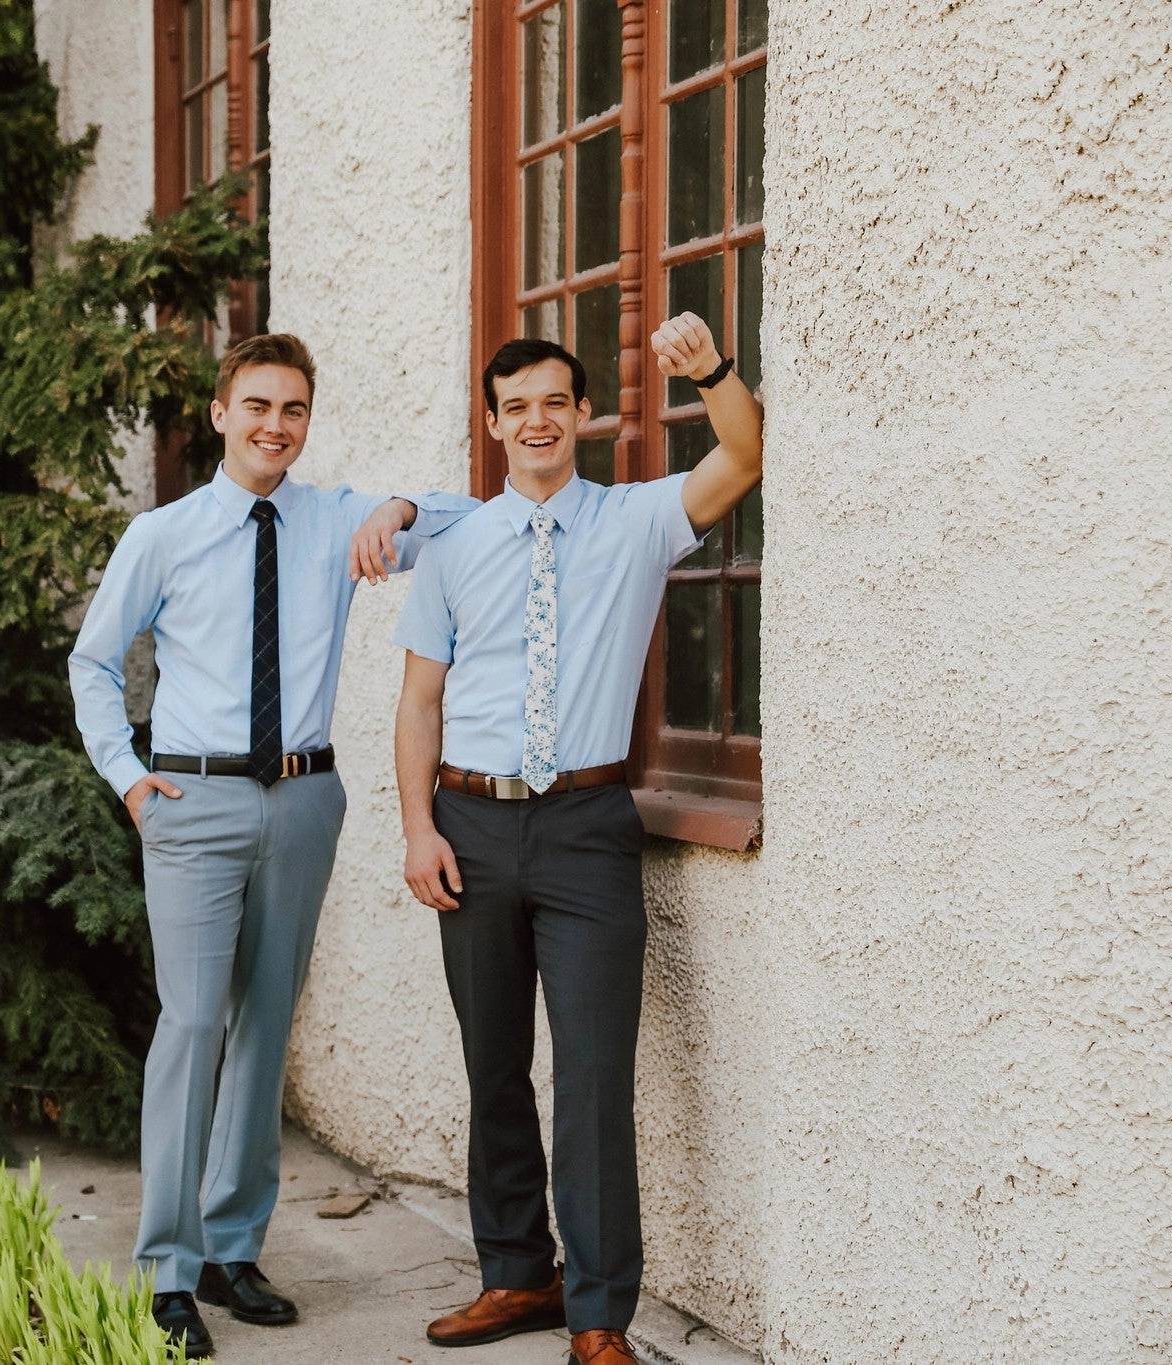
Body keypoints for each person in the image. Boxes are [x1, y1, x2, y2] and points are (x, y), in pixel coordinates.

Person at [69, 332, 476, 1360]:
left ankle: (231, 1249)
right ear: (218, 414)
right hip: (193, 804)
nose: (274, 426)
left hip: (301, 801)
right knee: (193, 1025)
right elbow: (92, 662)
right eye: (255, 405)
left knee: (264, 1030)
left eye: (292, 409)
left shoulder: (335, 519)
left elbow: (477, 522)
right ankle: (167, 1268)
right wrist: (129, 781)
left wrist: (403, 510)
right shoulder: (161, 536)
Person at [390, 315, 763, 1365]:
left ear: (582, 414)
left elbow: (742, 454)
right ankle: (515, 1277)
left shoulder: (634, 521)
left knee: (594, 1075)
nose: (537, 420)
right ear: (494, 425)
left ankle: (598, 1316)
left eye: (555, 401)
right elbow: (418, 703)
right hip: (466, 822)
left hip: (587, 827)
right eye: (517, 407)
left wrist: (711, 373)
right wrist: (417, 829)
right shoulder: (453, 550)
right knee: (492, 1064)